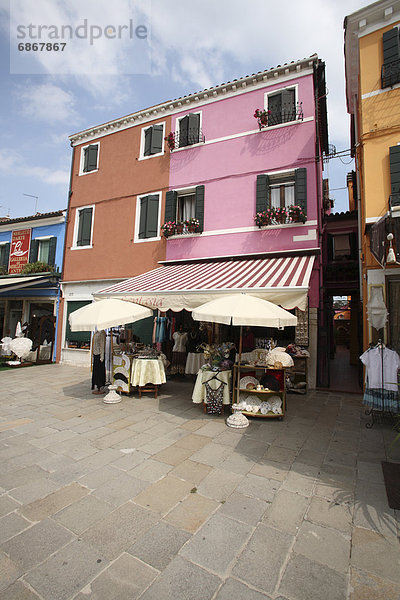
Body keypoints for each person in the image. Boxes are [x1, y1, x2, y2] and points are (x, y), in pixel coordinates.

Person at [91, 329, 106, 394]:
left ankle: (100, 385)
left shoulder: (102, 333)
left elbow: (102, 345)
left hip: (99, 355)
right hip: (95, 354)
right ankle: (96, 384)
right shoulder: (96, 333)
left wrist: (102, 357)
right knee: (96, 371)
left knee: (99, 372)